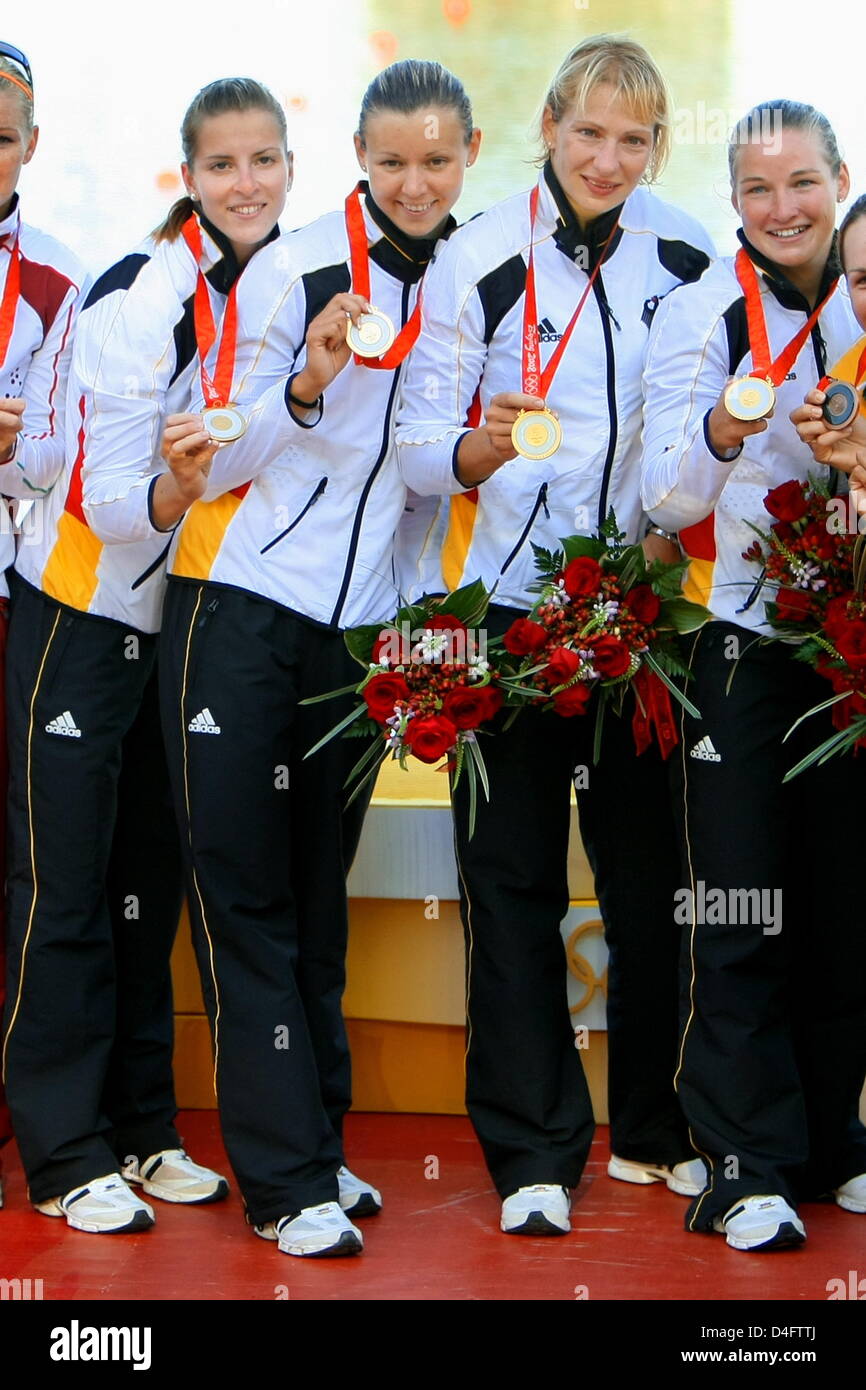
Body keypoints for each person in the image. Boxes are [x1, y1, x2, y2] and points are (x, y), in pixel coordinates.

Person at [95, 59, 481, 1258]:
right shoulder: (292, 262)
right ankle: (282, 1181)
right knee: (246, 898)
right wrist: (308, 381)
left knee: (318, 900)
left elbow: (424, 483)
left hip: (356, 627)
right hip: (239, 605)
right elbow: (224, 437)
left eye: (436, 161)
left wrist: (418, 619)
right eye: (392, 161)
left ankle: (315, 1139)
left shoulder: (469, 276)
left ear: (466, 158)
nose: (414, 183)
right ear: (359, 160)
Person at [394, 34, 713, 1237]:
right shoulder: (473, 255)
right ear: (547, 126)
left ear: (656, 146)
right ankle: (531, 1151)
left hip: (634, 611)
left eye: (633, 138)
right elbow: (421, 456)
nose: (608, 158)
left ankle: (650, 1129)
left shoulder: (687, 249)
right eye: (588, 133)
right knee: (510, 884)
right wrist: (479, 442)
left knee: (651, 887)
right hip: (500, 613)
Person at [2, 76, 291, 1233]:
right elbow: (102, 499)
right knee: (59, 891)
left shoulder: (272, 285)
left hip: (170, 625)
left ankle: (142, 1128)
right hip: (76, 608)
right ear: (187, 177)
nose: (245, 183)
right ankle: (65, 1149)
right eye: (221, 165)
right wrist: (181, 479)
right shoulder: (137, 292)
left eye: (263, 161)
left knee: (140, 891)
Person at [641, 101, 866, 1252]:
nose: (781, 210)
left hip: (845, 639)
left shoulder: (862, 291)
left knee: (840, 903)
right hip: (735, 635)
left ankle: (831, 1143)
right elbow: (662, 500)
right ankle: (737, 1162)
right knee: (737, 901)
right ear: (732, 203)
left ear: (838, 179)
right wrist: (724, 439)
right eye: (755, 191)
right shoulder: (696, 313)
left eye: (801, 184)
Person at [0, 41, 89, 1211]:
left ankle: (30, 1113)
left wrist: (15, 450)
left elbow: (65, 466)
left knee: (26, 858)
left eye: (1, 133)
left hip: (12, 590)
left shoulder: (66, 280)